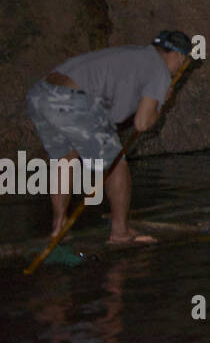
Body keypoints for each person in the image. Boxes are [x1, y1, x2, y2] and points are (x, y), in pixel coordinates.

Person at [25, 30, 191, 245]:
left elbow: (113, 114)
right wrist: (161, 103)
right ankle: (120, 232)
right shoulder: (159, 70)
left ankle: (58, 226)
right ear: (178, 56)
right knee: (116, 164)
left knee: (65, 159)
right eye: (183, 61)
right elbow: (142, 123)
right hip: (72, 100)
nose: (180, 66)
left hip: (41, 94)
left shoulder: (135, 55)